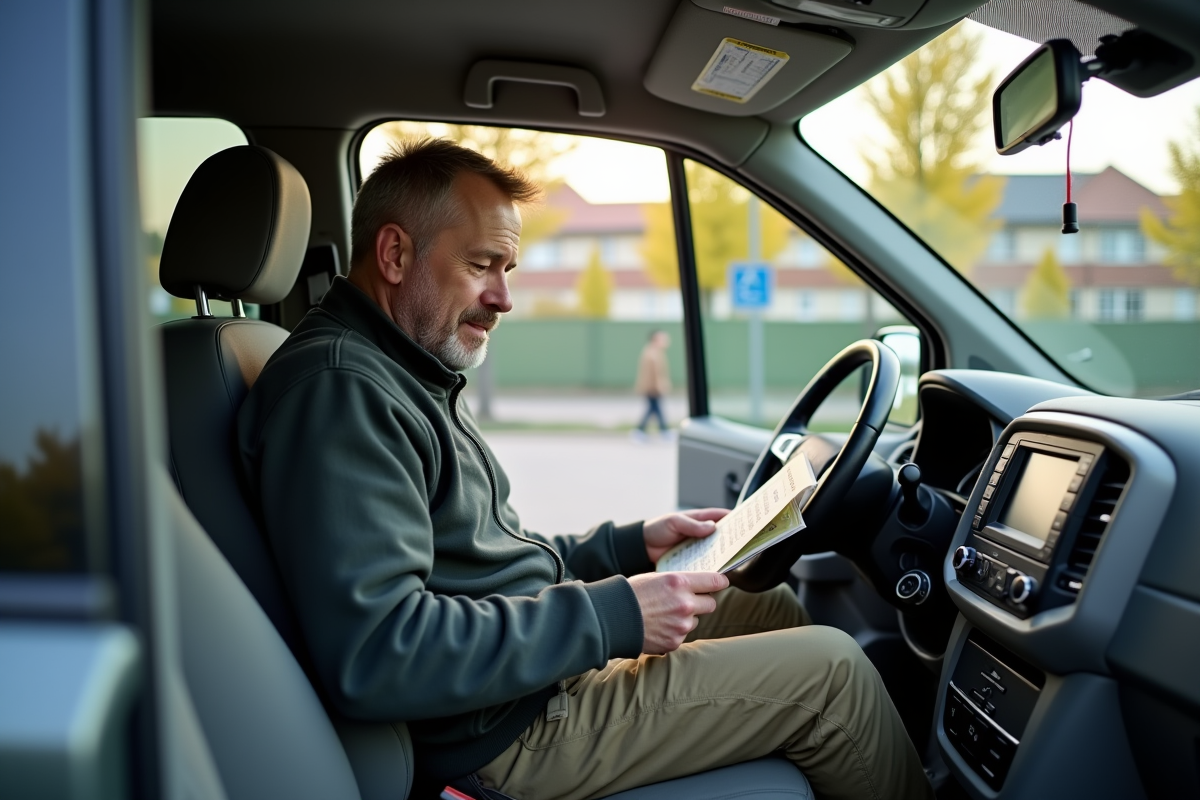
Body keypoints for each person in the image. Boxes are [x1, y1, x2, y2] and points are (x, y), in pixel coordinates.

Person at [238, 138, 932, 800]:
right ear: (394, 253)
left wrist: (632, 547)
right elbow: (380, 653)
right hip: (502, 733)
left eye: (508, 270)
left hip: (520, 681)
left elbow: (487, 564)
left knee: (763, 604)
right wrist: (612, 616)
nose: (504, 298)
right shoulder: (341, 391)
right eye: (483, 265)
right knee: (834, 675)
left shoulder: (400, 370)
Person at [634, 330, 671, 439]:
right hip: (652, 388)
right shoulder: (652, 354)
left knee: (654, 409)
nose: (666, 341)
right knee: (654, 409)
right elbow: (655, 374)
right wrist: (660, 386)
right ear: (656, 340)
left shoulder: (653, 352)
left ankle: (662, 430)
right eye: (663, 339)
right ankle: (641, 431)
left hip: (651, 388)